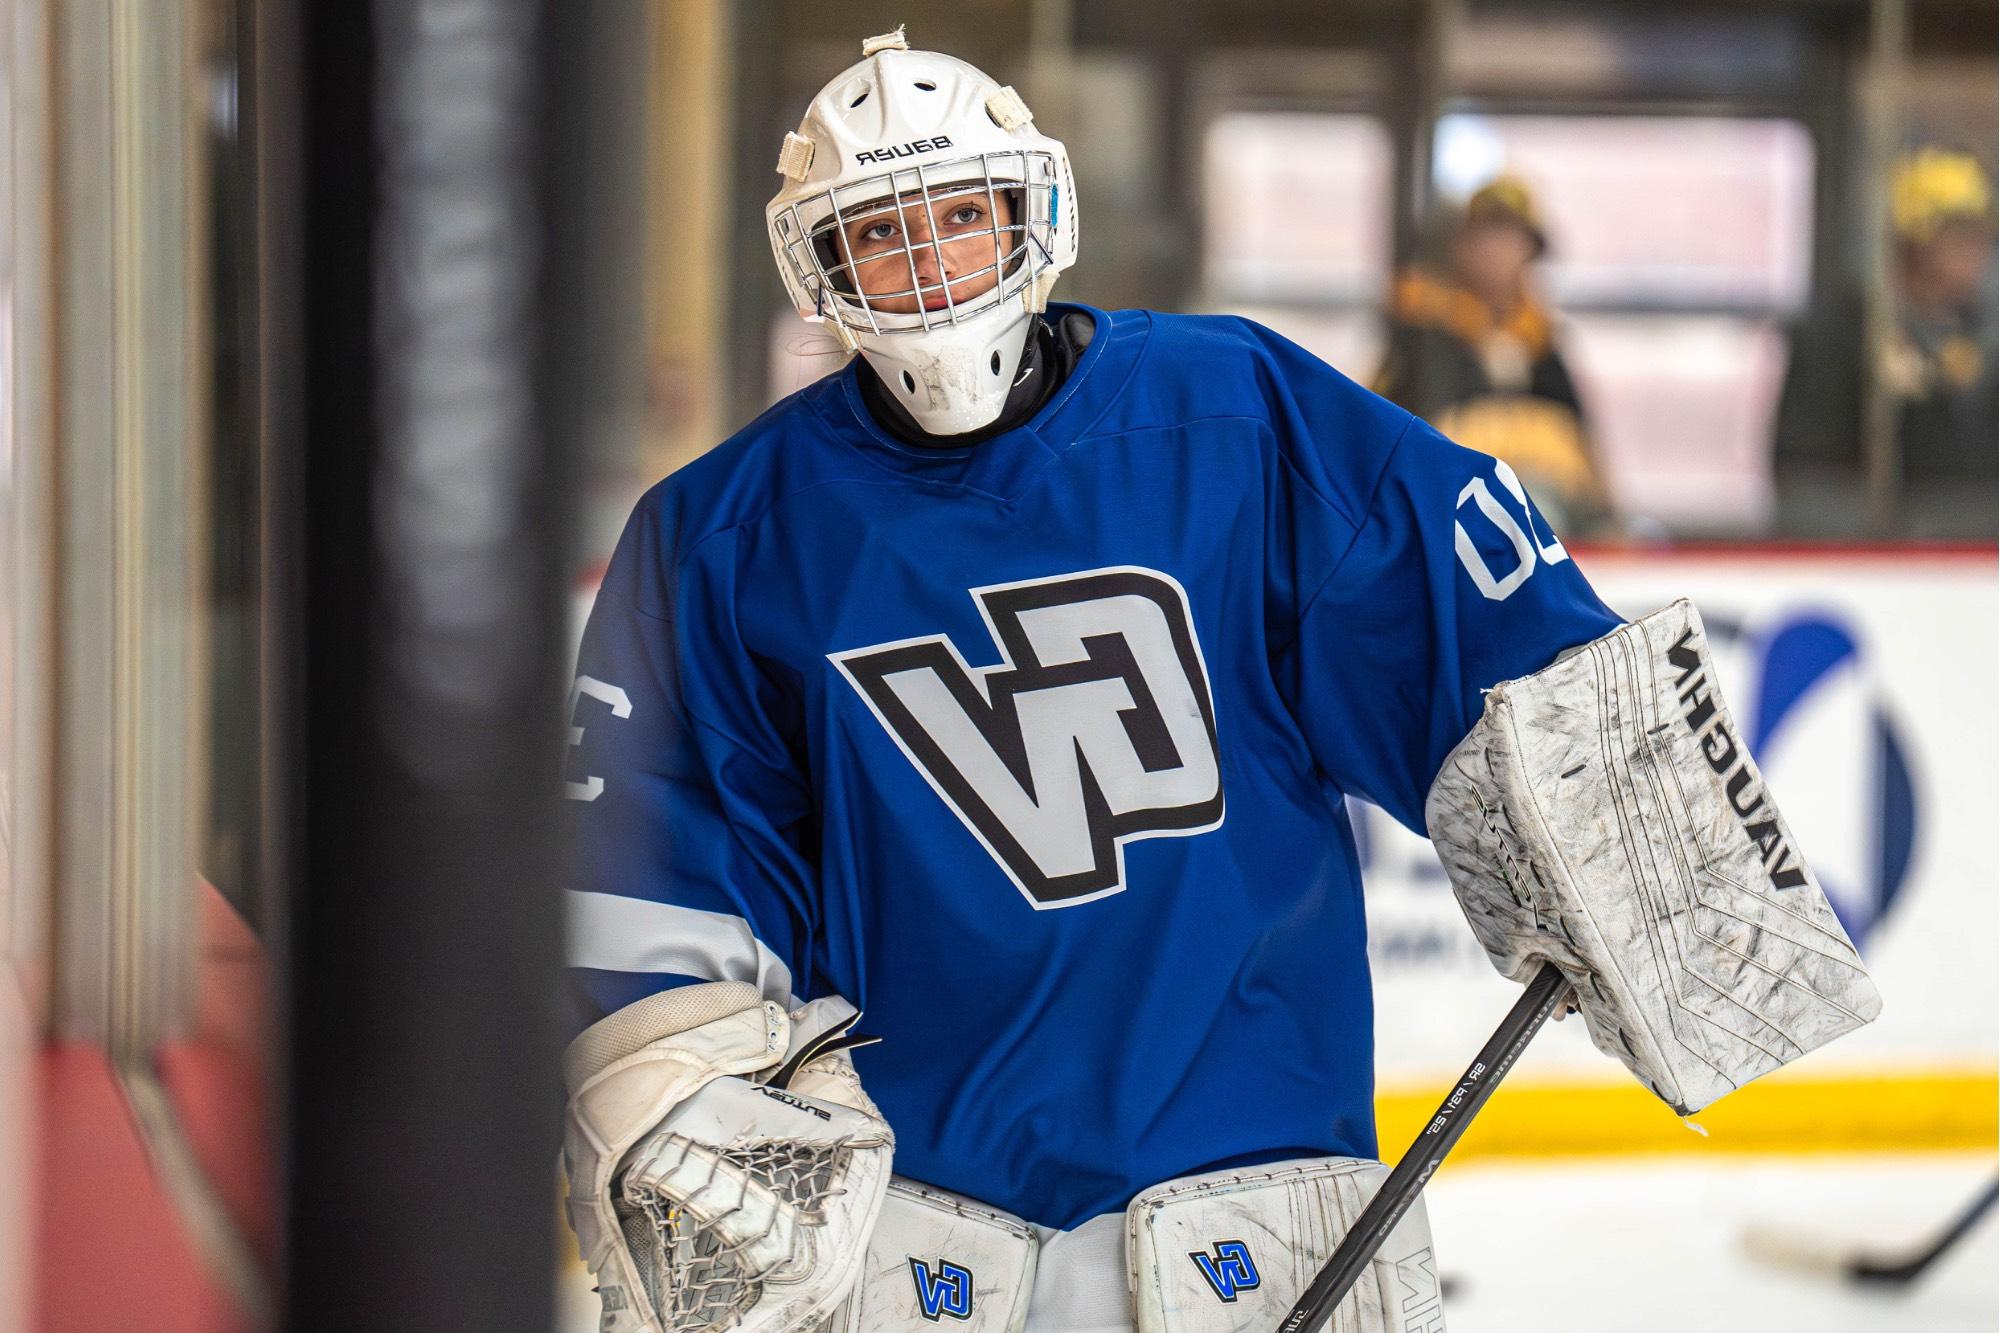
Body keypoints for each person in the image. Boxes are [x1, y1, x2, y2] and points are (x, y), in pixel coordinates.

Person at [557, 31, 1855, 1333]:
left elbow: (1452, 588)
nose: (937, 262)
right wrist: (679, 1080)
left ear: (1036, 213)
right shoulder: (719, 540)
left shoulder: (1236, 412)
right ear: (820, 268)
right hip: (926, 1234)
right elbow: (652, 857)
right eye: (886, 232)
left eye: (964, 214)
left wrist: (1602, 795)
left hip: (1264, 1201)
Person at [1372, 175, 1614, 537]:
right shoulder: (1423, 333)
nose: (1495, 250)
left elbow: (1584, 449)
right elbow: (1391, 435)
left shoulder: (1540, 340)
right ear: (1460, 247)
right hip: (1446, 513)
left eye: (1510, 238)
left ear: (1530, 252)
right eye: (1484, 236)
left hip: (1545, 513)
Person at [1773, 146, 1997, 536]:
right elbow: (1805, 480)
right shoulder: (1842, 336)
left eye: (1981, 234)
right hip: (1880, 558)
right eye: (1961, 234)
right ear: (1914, 242)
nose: (1978, 251)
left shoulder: (1983, 338)